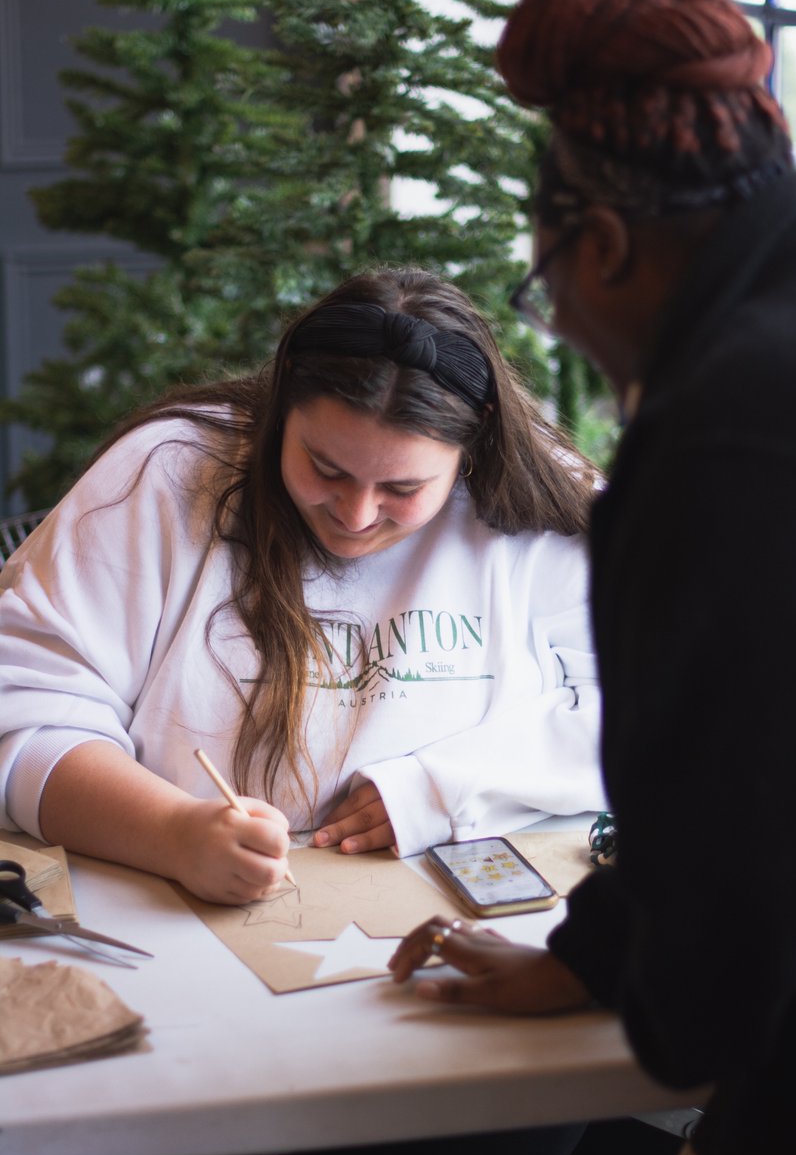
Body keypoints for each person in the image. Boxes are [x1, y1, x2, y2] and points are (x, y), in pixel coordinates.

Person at [390, 0, 796, 1155]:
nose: (558, 326)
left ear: (606, 246)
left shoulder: (723, 437)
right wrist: (593, 957)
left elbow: (731, 844)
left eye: (544, 293)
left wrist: (651, 990)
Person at [0, 265, 605, 912]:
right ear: (283, 402)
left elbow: (654, 711)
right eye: (325, 468)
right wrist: (170, 833)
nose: (356, 516)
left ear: (473, 443)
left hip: (473, 905)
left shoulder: (544, 502)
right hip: (166, 906)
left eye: (403, 488)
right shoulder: (167, 471)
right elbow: (23, 716)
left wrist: (444, 789)